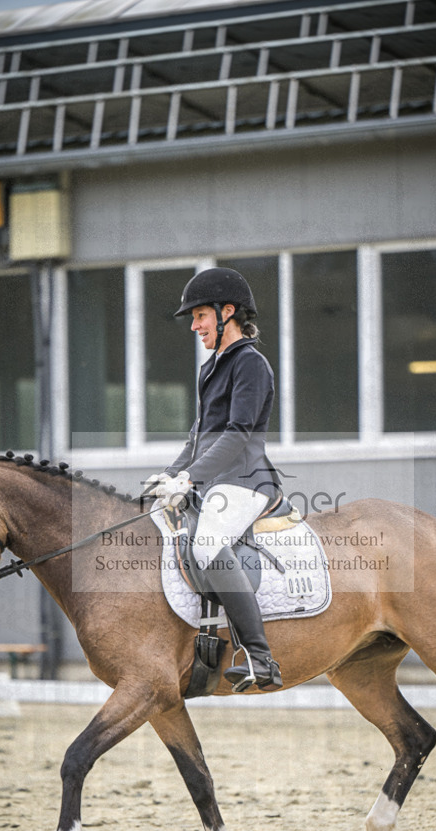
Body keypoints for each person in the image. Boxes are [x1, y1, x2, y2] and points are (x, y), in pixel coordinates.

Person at [147, 268, 283, 692]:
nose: (194, 326)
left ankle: (260, 658)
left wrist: (189, 477)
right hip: (213, 482)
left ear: (228, 313)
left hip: (246, 481)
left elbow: (239, 434)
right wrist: (168, 478)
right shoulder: (211, 368)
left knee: (206, 544)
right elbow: (197, 437)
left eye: (200, 315)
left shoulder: (251, 364)